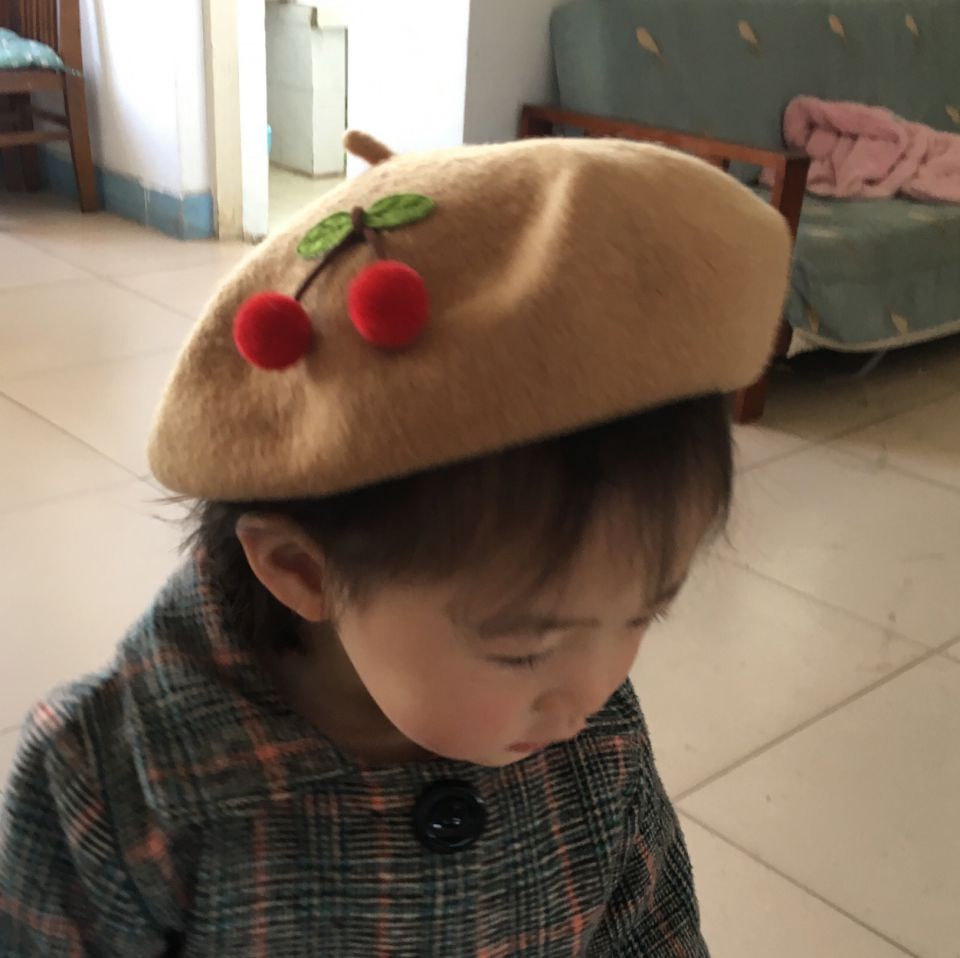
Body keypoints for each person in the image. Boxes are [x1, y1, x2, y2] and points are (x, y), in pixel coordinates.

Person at [0, 130, 790, 956]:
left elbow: (650, 932)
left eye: (641, 617)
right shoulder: (110, 784)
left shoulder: (586, 717)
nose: (588, 697)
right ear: (301, 570)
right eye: (523, 649)